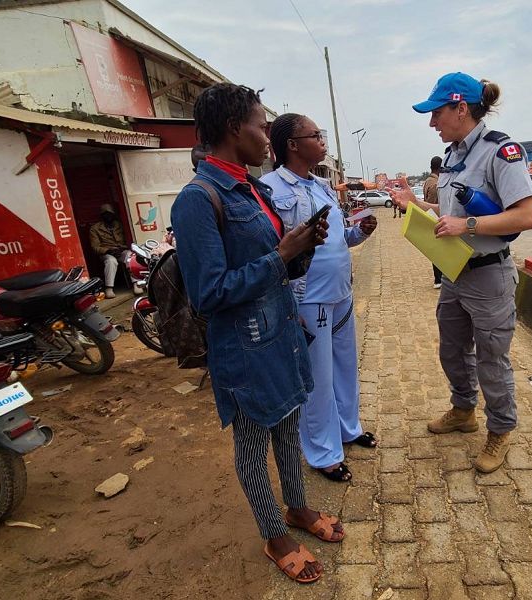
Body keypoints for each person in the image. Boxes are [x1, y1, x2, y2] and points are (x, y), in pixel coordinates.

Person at [171, 83, 341, 585]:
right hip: (243, 346)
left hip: (282, 333)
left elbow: (276, 265)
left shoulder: (254, 188)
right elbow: (209, 292)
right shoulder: (198, 201)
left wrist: (303, 247)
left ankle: (297, 508)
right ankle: (273, 533)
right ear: (232, 129)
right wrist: (282, 255)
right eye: (261, 125)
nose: (268, 135)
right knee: (251, 443)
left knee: (288, 428)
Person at [389, 72, 532, 473]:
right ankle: (463, 410)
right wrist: (415, 206)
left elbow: (527, 215)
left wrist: (467, 227)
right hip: (456, 272)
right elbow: (452, 216)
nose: (432, 122)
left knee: (492, 358)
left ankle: (501, 430)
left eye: (437, 113)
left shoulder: (500, 151)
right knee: (452, 349)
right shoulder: (456, 155)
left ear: (460, 108)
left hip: (489, 275)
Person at [262, 114, 378, 484]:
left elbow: (338, 236)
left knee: (345, 367)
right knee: (318, 377)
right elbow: (273, 250)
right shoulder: (270, 189)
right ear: (293, 145)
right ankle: (323, 452)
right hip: (307, 297)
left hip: (341, 293)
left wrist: (358, 231)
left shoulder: (322, 186)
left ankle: (348, 429)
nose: (322, 140)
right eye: (315, 135)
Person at [89, 204, 138, 298]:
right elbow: (95, 247)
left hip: (121, 251)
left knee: (130, 256)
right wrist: (108, 250)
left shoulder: (119, 225)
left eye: (110, 214)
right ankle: (109, 288)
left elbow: (128, 239)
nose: (108, 216)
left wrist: (122, 248)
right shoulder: (95, 228)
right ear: (102, 216)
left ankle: (136, 283)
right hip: (107, 253)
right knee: (111, 261)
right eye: (105, 214)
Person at [424, 156, 443, 288]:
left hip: (428, 217)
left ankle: (438, 278)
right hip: (436, 218)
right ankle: (439, 279)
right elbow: (435, 204)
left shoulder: (427, 181)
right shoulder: (436, 184)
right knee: (440, 249)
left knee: (435, 249)